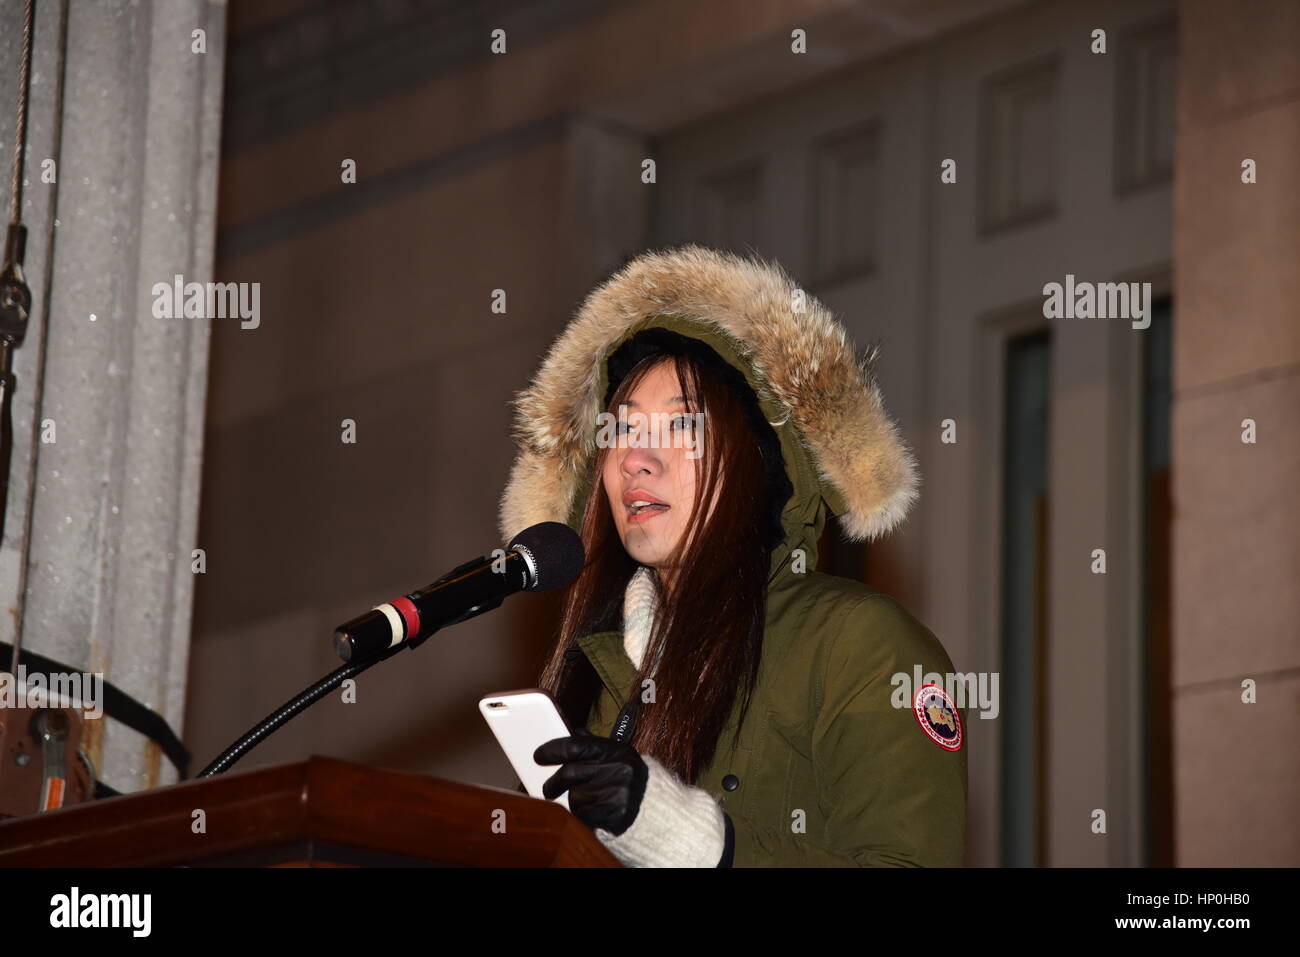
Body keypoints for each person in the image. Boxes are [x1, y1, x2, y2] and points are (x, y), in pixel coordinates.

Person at [498, 244, 967, 867]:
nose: (638, 457)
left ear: (759, 465)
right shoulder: (595, 668)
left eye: (684, 425)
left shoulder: (861, 643)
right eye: (623, 429)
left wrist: (686, 837)